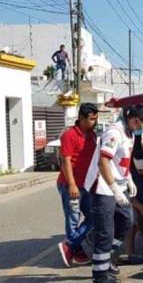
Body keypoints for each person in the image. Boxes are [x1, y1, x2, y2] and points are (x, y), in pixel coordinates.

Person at [85, 104, 143, 283]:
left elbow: (121, 162)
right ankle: (100, 273)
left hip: (118, 184)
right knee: (106, 230)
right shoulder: (114, 133)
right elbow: (103, 162)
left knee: (126, 221)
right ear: (136, 120)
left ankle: (105, 257)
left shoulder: (129, 134)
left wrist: (129, 179)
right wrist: (115, 189)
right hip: (103, 186)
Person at [56, 103, 98, 267]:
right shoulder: (69, 135)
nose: (94, 122)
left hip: (87, 184)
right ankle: (73, 249)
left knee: (93, 216)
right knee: (73, 219)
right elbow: (65, 161)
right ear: (81, 118)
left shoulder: (93, 135)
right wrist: (72, 185)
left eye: (96, 118)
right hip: (70, 185)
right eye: (91, 119)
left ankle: (71, 245)